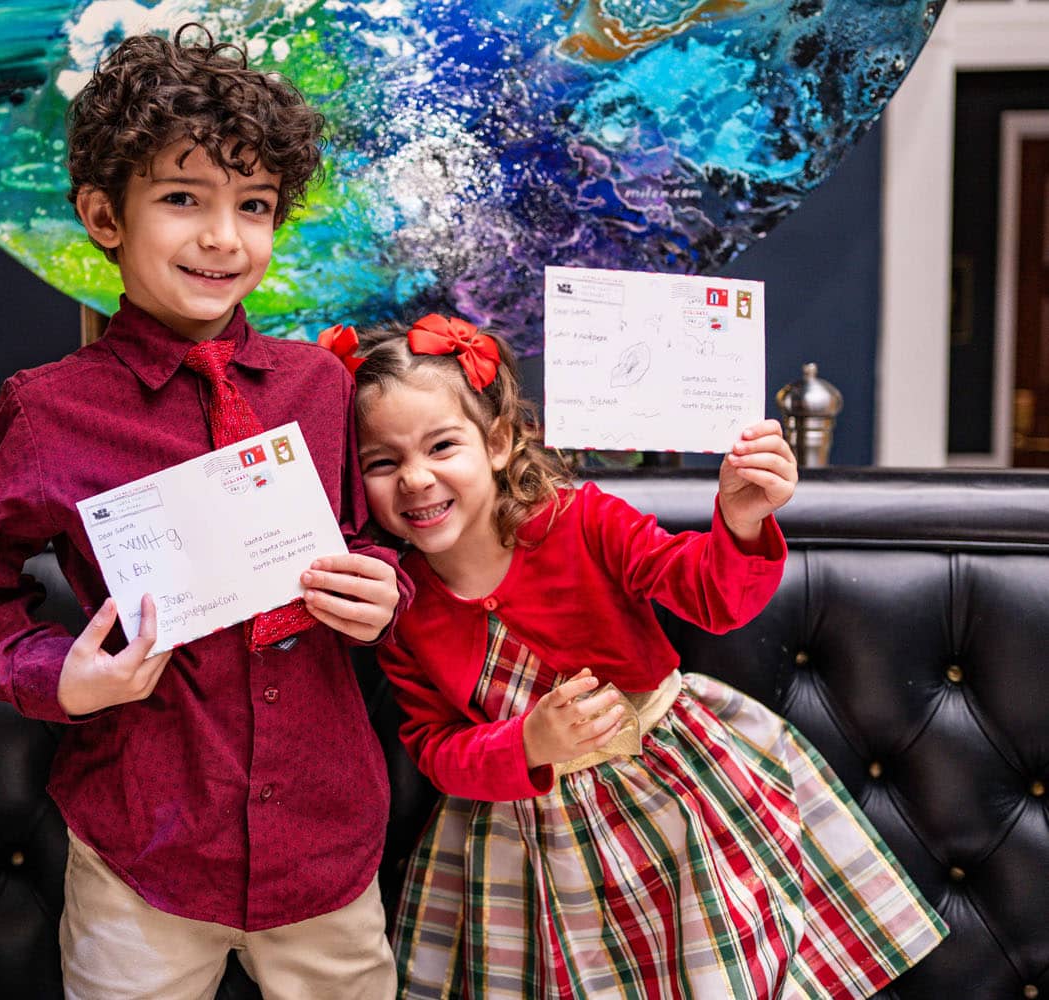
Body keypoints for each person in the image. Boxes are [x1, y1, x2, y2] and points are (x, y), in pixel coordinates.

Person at [0, 27, 408, 1000]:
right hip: (145, 841)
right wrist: (65, 677)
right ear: (105, 213)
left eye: (254, 207)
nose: (225, 238)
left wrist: (384, 588)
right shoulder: (49, 410)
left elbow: (383, 544)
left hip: (327, 841)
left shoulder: (318, 386)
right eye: (184, 199)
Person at [335, 314, 946, 998]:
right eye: (382, 462)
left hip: (674, 804)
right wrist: (528, 742)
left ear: (499, 441)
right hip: (527, 847)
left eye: (442, 446)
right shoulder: (400, 606)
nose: (416, 479)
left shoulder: (584, 521)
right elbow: (436, 747)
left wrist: (741, 520)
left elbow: (712, 596)